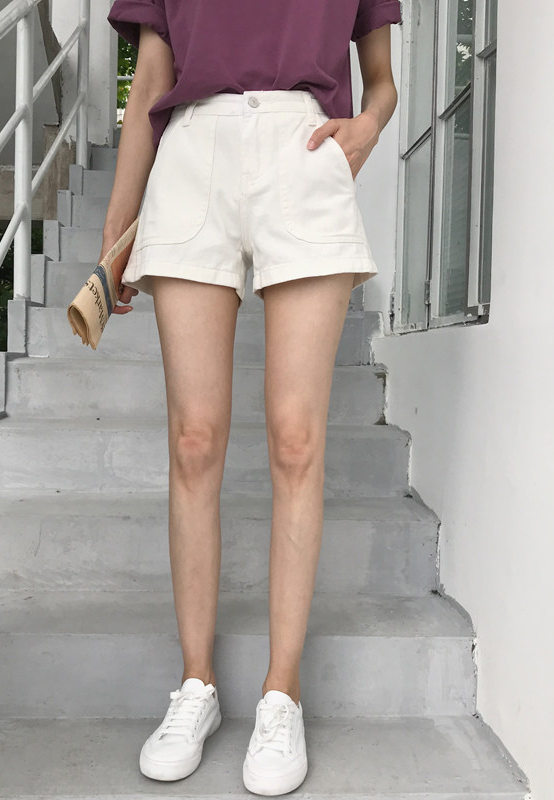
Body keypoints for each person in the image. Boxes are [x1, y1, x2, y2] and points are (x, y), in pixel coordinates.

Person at [101, 0, 402, 794]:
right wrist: (117, 229)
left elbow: (381, 79)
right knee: (194, 440)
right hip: (190, 153)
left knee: (297, 442)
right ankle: (195, 685)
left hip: (304, 149)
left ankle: (281, 693)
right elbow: (150, 82)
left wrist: (367, 128)